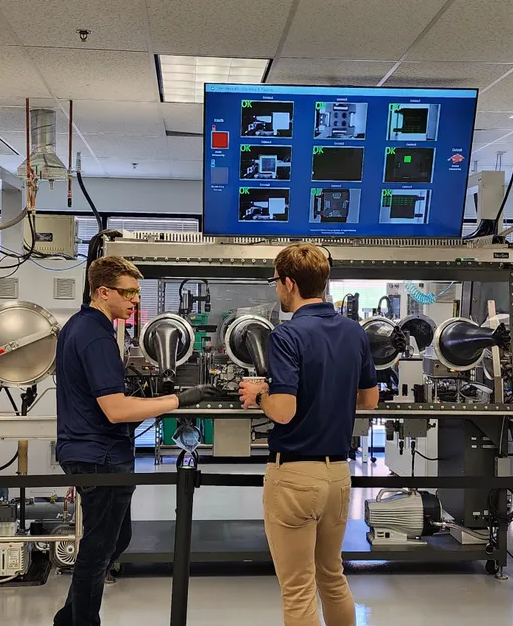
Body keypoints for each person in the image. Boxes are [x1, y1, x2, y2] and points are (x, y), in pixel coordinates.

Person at [54, 255, 222, 626]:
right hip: (98, 453)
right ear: (102, 292)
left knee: (114, 540)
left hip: (92, 448)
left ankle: (68, 618)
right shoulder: (95, 335)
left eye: (136, 292)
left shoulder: (78, 326)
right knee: (99, 550)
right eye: (128, 292)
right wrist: (180, 399)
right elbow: (115, 410)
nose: (135, 300)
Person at [238, 243, 379, 626]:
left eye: (276, 283)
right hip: (338, 476)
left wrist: (260, 392)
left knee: (298, 589)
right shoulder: (354, 332)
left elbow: (284, 412)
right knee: (332, 578)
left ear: (289, 283)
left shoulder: (287, 335)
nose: (277, 291)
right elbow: (369, 399)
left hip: (295, 477)